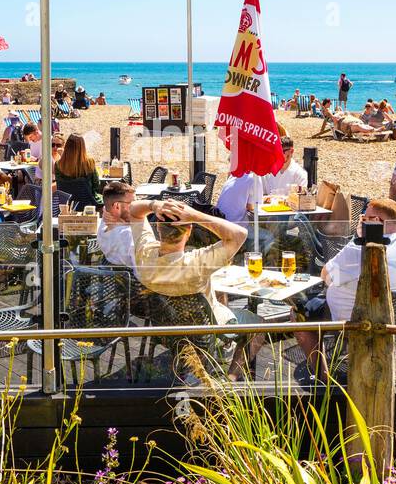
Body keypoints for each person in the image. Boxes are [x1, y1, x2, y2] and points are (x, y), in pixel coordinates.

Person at [295, 198, 396, 380]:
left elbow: (325, 274)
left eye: (364, 219)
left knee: (298, 313)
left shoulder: (361, 248)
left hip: (359, 323)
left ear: (376, 221)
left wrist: (355, 244)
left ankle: (323, 377)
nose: (361, 222)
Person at [127, 197, 259, 379]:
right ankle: (232, 378)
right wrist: (195, 215)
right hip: (204, 332)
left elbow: (134, 209)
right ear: (188, 231)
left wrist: (154, 205)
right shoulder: (196, 262)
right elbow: (240, 234)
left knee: (219, 298)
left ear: (157, 228)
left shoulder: (145, 254)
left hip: (167, 332)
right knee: (258, 324)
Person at [55, 133, 103, 210]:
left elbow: (59, 186)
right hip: (88, 204)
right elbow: (96, 185)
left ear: (67, 146)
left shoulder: (58, 164)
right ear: (83, 147)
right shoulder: (89, 163)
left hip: (67, 204)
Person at [97, 181, 138, 267]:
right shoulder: (127, 234)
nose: (136, 206)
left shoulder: (105, 221)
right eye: (132, 203)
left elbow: (107, 206)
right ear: (117, 206)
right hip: (134, 278)